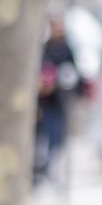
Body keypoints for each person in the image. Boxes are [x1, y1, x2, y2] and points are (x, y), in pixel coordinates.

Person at [33, 14, 78, 184]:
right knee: (39, 139)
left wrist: (57, 83)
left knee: (55, 138)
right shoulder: (44, 48)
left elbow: (72, 74)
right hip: (42, 102)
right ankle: (38, 172)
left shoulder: (66, 49)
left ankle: (51, 171)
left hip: (58, 101)